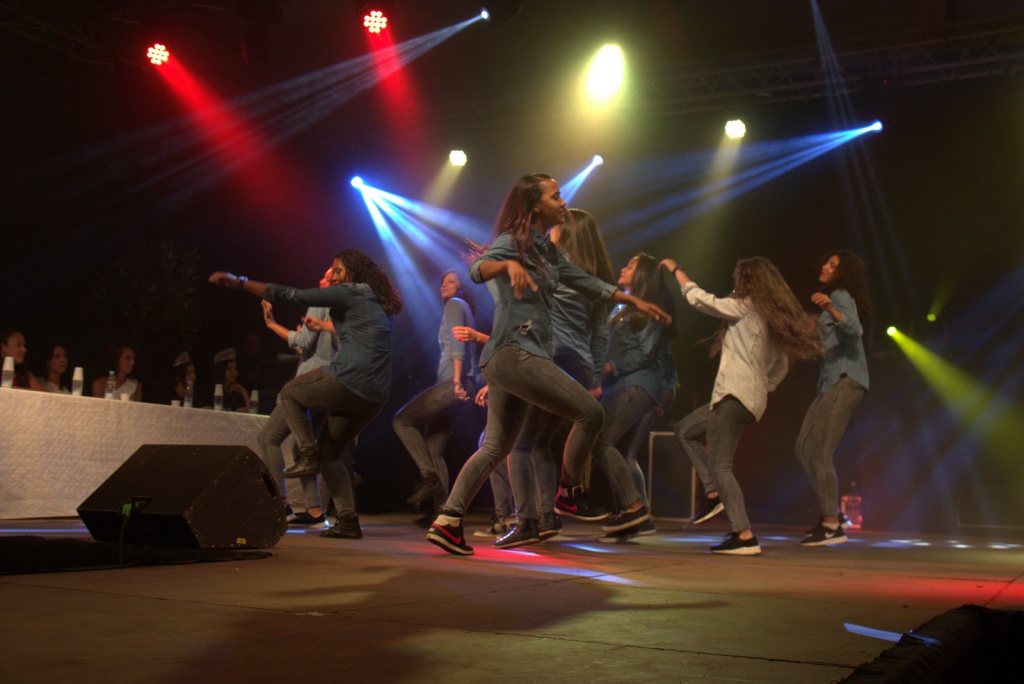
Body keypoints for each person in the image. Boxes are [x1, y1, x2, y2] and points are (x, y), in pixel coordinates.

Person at [425, 173, 670, 556]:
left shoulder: (544, 250)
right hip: (517, 353)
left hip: (507, 357)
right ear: (534, 204)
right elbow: (477, 270)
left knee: (495, 448)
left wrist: (630, 299)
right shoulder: (513, 241)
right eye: (555, 196)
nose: (563, 202)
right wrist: (506, 267)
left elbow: (583, 280)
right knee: (590, 413)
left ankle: (448, 521)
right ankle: (569, 491)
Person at [209, 248, 402, 540]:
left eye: (338, 270)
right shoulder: (375, 299)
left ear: (352, 272)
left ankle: (307, 454)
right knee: (331, 454)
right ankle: (348, 521)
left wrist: (240, 282)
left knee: (290, 392)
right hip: (375, 395)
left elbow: (292, 295)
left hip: (349, 380)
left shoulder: (351, 291)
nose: (334, 276)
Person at [664, 256, 819, 556]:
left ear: (746, 281)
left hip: (734, 395)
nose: (734, 284)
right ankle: (713, 493)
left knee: (721, 465)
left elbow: (701, 300)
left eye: (738, 278)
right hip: (747, 398)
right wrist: (762, 387)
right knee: (685, 430)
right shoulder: (770, 319)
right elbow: (781, 367)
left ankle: (744, 534)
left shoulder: (746, 306)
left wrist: (676, 270)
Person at [497, 207, 615, 549]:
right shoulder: (595, 276)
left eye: (557, 226)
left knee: (519, 444)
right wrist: (594, 377)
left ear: (566, 232)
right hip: (578, 364)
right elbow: (599, 333)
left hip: (549, 357)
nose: (551, 229)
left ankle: (527, 522)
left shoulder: (551, 265)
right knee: (539, 442)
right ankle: (548, 517)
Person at [593, 253, 676, 542]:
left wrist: (609, 367)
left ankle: (634, 509)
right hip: (619, 385)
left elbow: (646, 354)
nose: (623, 268)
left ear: (642, 276)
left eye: (630, 266)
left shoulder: (651, 310)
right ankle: (629, 520)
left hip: (637, 384)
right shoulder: (621, 307)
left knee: (603, 441)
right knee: (611, 447)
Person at [393, 269, 480, 527]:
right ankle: (442, 513)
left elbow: (457, 343)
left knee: (402, 420)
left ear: (462, 288)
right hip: (464, 386)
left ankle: (428, 477)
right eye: (442, 281)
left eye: (451, 281)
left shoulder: (455, 304)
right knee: (433, 448)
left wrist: (456, 382)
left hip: (453, 384)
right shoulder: (464, 308)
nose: (444, 284)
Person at [796, 250, 871, 547]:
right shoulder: (829, 302)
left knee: (821, 451)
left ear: (843, 273)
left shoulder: (839, 295)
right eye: (826, 262)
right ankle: (830, 515)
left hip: (845, 379)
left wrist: (831, 307)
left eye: (833, 265)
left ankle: (832, 525)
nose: (825, 266)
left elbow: (856, 328)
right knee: (804, 449)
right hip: (828, 383)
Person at [261, 265, 343, 526]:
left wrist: (272, 324)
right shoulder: (344, 310)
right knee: (302, 448)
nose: (321, 280)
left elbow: (302, 342)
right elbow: (314, 348)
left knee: (268, 438)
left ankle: (280, 505)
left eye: (327, 278)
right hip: (327, 385)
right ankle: (315, 511)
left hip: (307, 385)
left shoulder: (319, 302)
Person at [211, 348, 251, 412]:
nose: (234, 372)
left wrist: (244, 392)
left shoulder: (236, 392)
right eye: (229, 369)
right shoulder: (211, 391)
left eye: (235, 369)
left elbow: (251, 412)